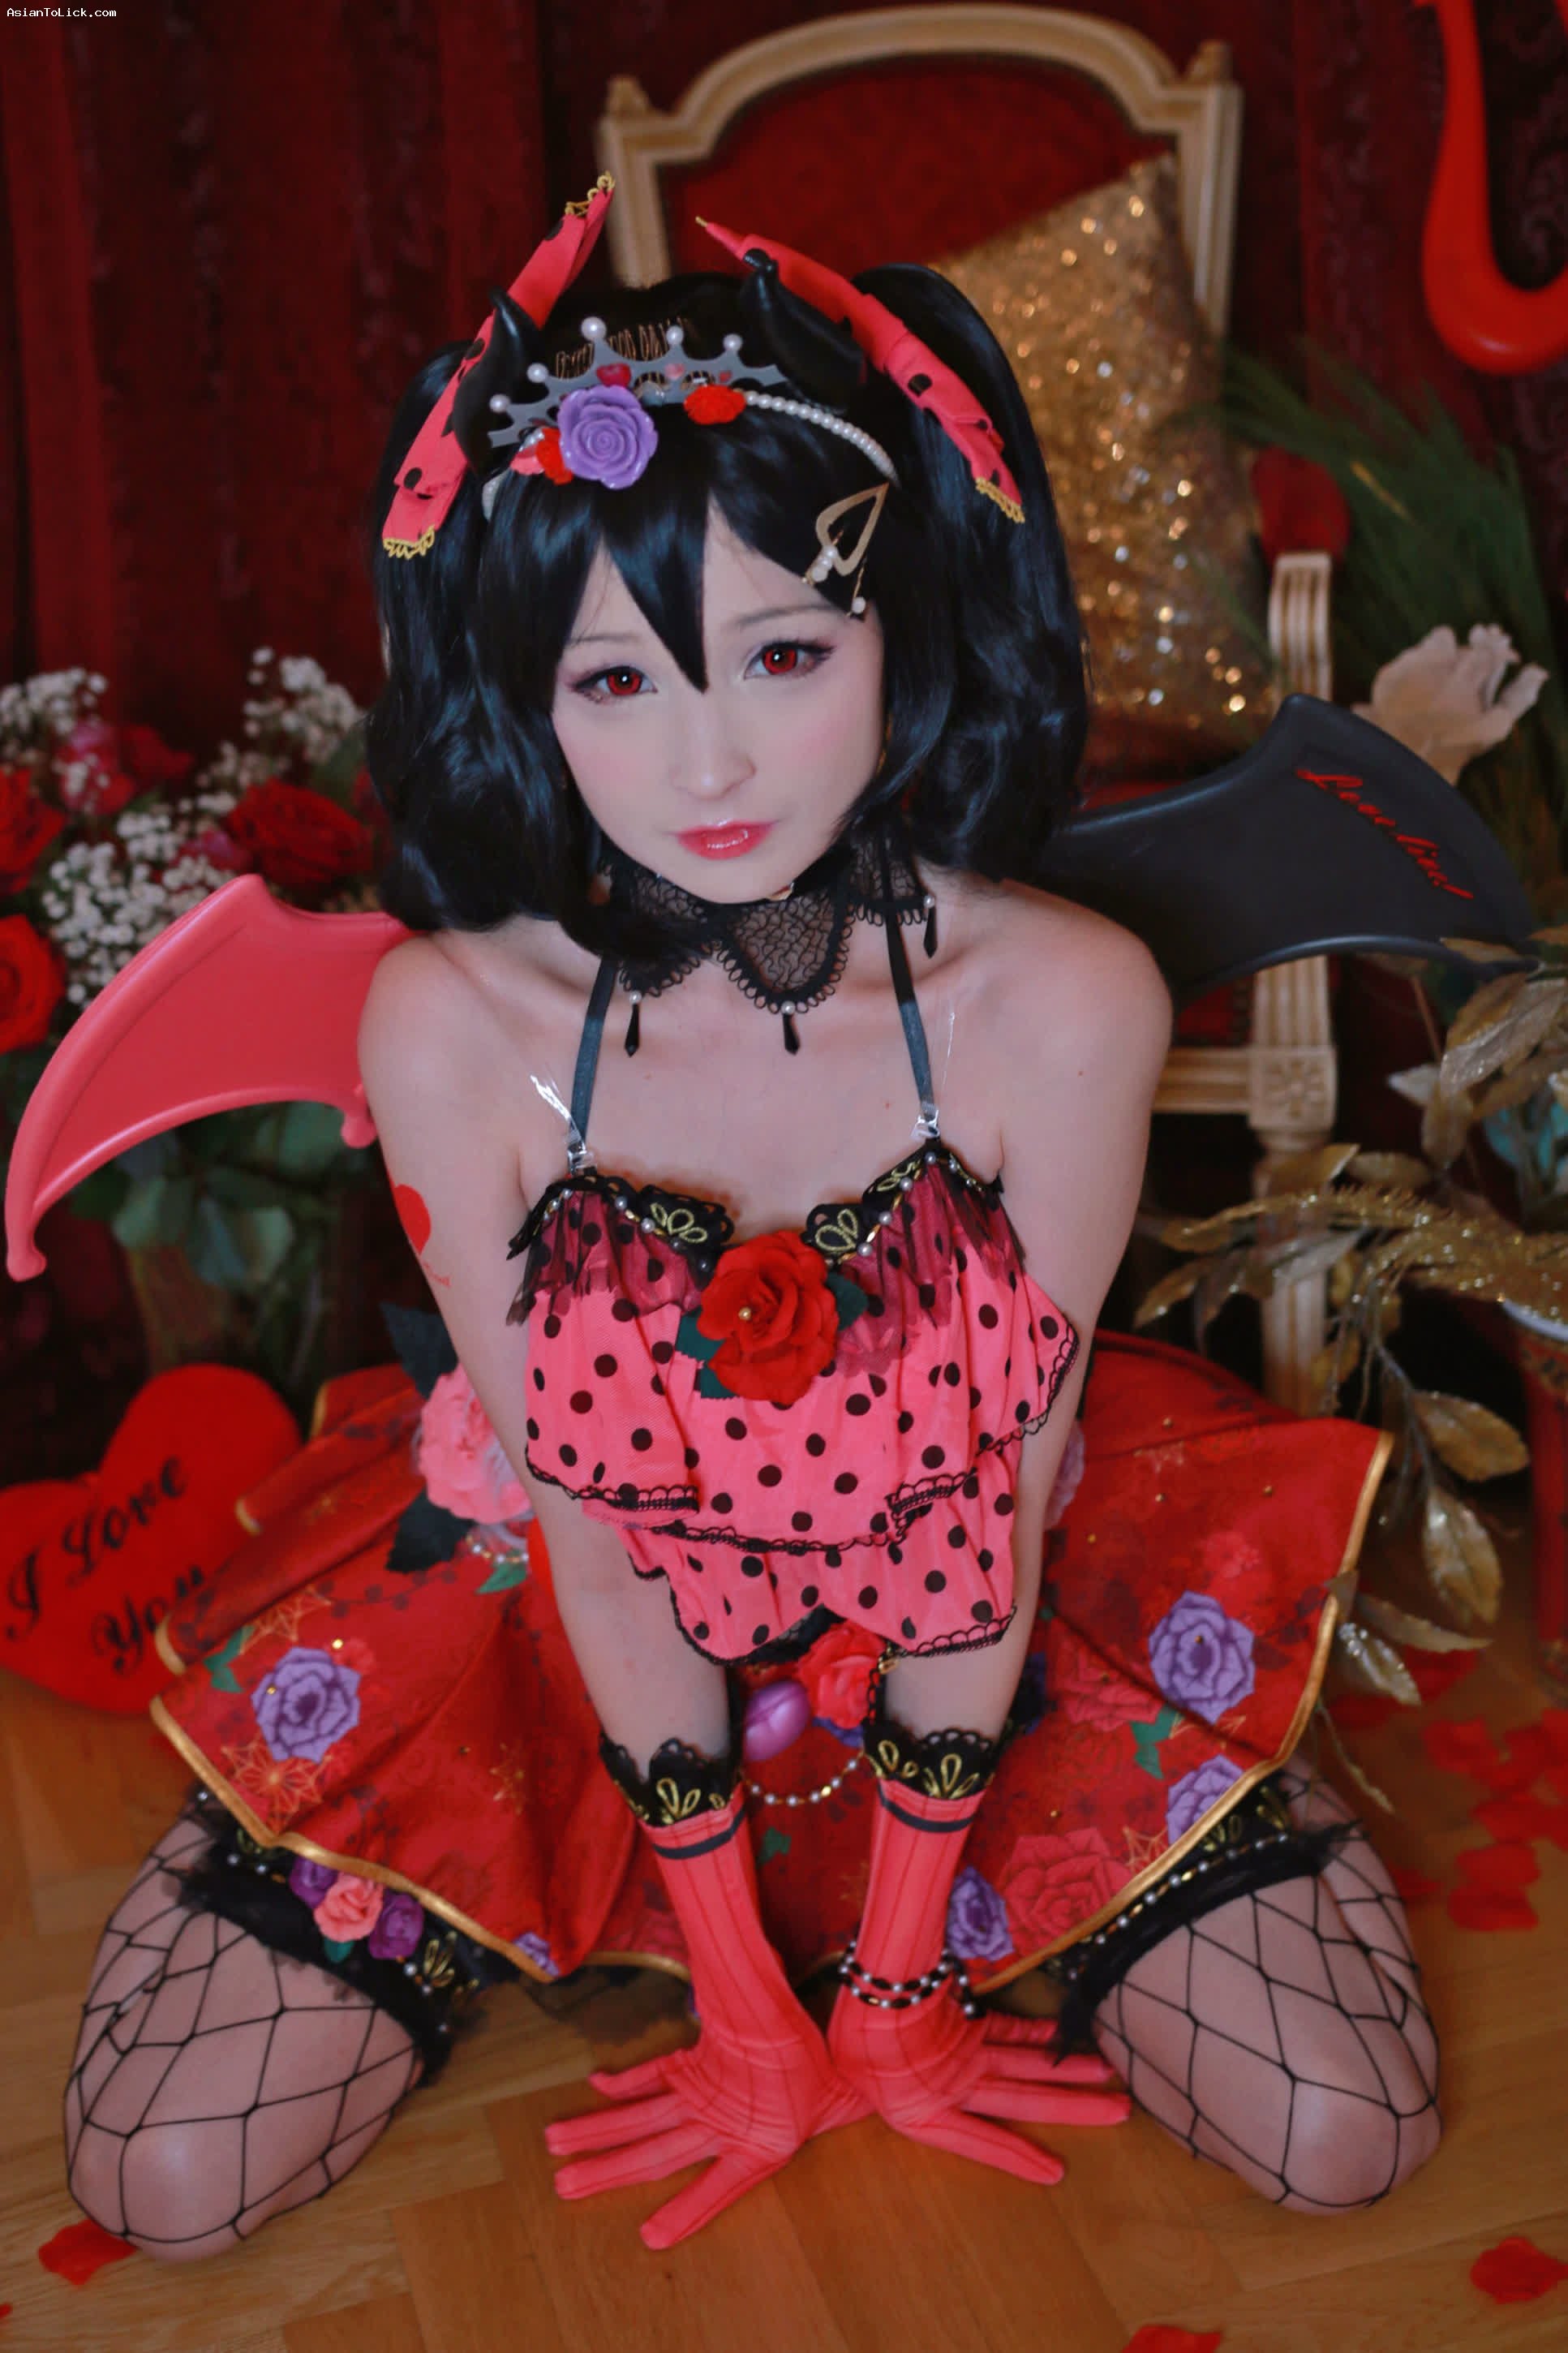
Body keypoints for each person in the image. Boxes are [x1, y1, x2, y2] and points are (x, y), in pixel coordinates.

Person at [61, 185, 1440, 2263]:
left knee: (1348, 2126)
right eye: (611, 678)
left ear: (907, 632)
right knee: (158, 2169)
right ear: (525, 694)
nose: (702, 759)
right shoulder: (455, 1024)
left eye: (785, 652)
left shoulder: (1062, 1002)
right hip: (559, 1650)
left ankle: (964, 1922)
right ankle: (586, 1917)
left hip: (990, 1632)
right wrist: (740, 2009)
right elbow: (589, 1521)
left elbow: (1003, 1494)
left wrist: (891, 1998)